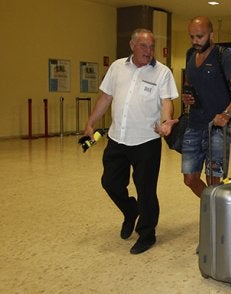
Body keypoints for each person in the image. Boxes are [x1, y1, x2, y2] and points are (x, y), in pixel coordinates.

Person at [83, 28, 179, 255]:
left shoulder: (162, 72)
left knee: (146, 190)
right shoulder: (117, 67)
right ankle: (130, 211)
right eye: (144, 46)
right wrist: (91, 123)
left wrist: (166, 122)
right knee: (110, 183)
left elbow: (166, 102)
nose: (149, 51)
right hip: (117, 138)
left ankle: (147, 235)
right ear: (132, 45)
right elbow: (106, 97)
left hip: (146, 141)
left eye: (152, 46)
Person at [181, 16, 231, 198]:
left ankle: (215, 215)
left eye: (200, 37)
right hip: (193, 125)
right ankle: (213, 206)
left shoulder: (223, 55)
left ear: (211, 35)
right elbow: (190, 83)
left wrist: (226, 115)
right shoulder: (189, 55)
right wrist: (188, 96)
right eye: (192, 37)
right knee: (189, 178)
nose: (195, 41)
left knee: (213, 180)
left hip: (216, 128)